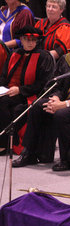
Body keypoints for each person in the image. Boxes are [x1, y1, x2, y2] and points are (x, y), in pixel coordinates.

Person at [12, 25, 70, 171]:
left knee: (62, 114)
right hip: (64, 101)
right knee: (38, 105)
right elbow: (56, 84)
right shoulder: (66, 59)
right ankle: (31, 153)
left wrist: (64, 104)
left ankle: (66, 159)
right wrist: (55, 98)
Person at [0, 26, 53, 154]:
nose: (30, 43)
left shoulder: (43, 56)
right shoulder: (14, 54)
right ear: (21, 40)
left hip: (27, 93)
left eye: (33, 40)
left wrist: (20, 90)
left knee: (2, 103)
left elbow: (43, 83)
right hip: (8, 91)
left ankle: (5, 142)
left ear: (37, 41)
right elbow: (4, 76)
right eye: (26, 39)